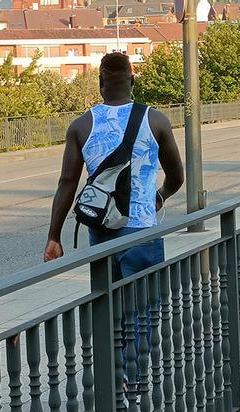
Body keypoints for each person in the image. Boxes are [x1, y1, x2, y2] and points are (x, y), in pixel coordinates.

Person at [44, 52, 185, 281]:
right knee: (145, 313)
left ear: (100, 83)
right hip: (142, 233)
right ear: (132, 82)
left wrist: (54, 237)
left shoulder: (81, 126)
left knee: (107, 311)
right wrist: (160, 196)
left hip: (101, 232)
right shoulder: (156, 120)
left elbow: (67, 183)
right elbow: (176, 177)